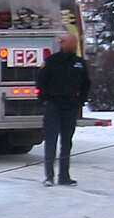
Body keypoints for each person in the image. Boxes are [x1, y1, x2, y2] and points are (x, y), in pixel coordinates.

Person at [35, 33, 91, 187]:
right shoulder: (52, 61)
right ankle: (49, 176)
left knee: (67, 142)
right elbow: (40, 81)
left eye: (75, 43)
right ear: (63, 44)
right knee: (51, 141)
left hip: (70, 106)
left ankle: (64, 176)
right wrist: (45, 99)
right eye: (71, 43)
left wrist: (81, 100)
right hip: (53, 106)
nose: (73, 46)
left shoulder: (79, 63)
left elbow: (86, 83)